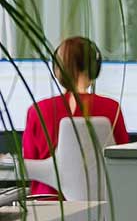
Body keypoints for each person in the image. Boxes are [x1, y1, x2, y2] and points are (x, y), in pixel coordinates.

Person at [22, 35, 130, 197]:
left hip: (48, 207)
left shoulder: (38, 110)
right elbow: (124, 161)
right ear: (94, 68)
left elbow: (28, 163)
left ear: (57, 69)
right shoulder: (111, 108)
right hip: (101, 206)